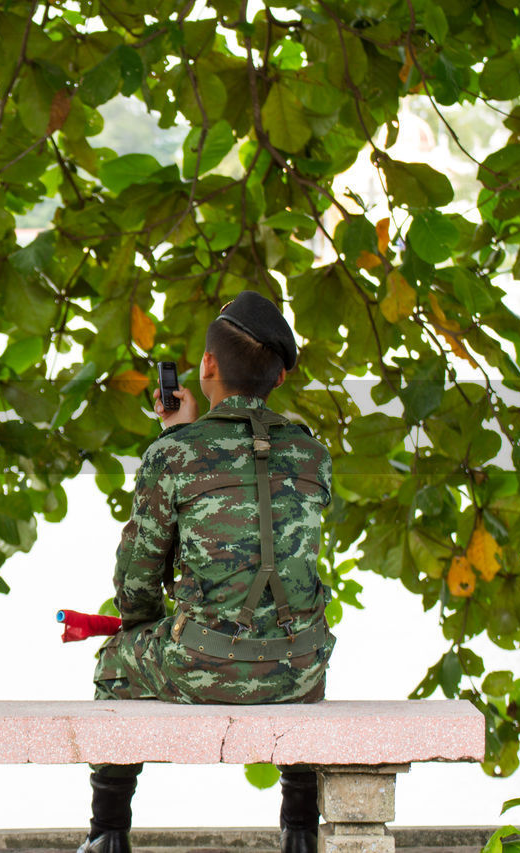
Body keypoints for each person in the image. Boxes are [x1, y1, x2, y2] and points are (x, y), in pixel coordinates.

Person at [77, 291, 335, 853]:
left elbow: (135, 586)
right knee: (296, 642)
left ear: (208, 366)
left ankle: (107, 835)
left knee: (113, 663)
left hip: (203, 665)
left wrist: (173, 435)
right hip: (300, 671)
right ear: (280, 380)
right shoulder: (314, 454)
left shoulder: (175, 453)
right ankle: (299, 832)